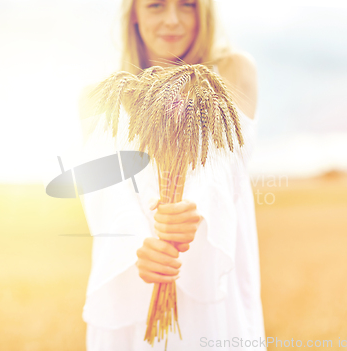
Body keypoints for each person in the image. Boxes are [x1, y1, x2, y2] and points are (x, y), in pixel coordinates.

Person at [78, 0, 265, 350]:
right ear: (133, 13)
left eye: (188, 5)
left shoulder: (233, 69)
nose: (173, 20)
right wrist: (133, 243)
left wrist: (193, 209)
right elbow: (99, 189)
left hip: (210, 278)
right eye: (156, 6)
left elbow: (227, 160)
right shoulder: (96, 95)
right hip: (133, 277)